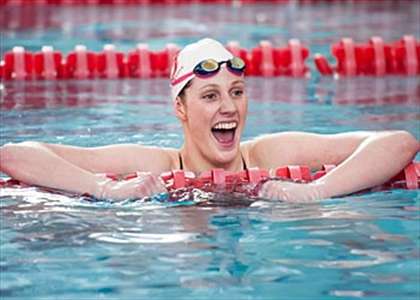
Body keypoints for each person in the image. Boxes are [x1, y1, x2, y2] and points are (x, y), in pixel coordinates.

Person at [0, 38, 418, 202]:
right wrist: (103, 188)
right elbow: (17, 155)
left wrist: (317, 192)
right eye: (210, 96)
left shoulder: (270, 153)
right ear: (180, 109)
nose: (229, 108)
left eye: (237, 93)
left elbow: (399, 143)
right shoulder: (157, 166)